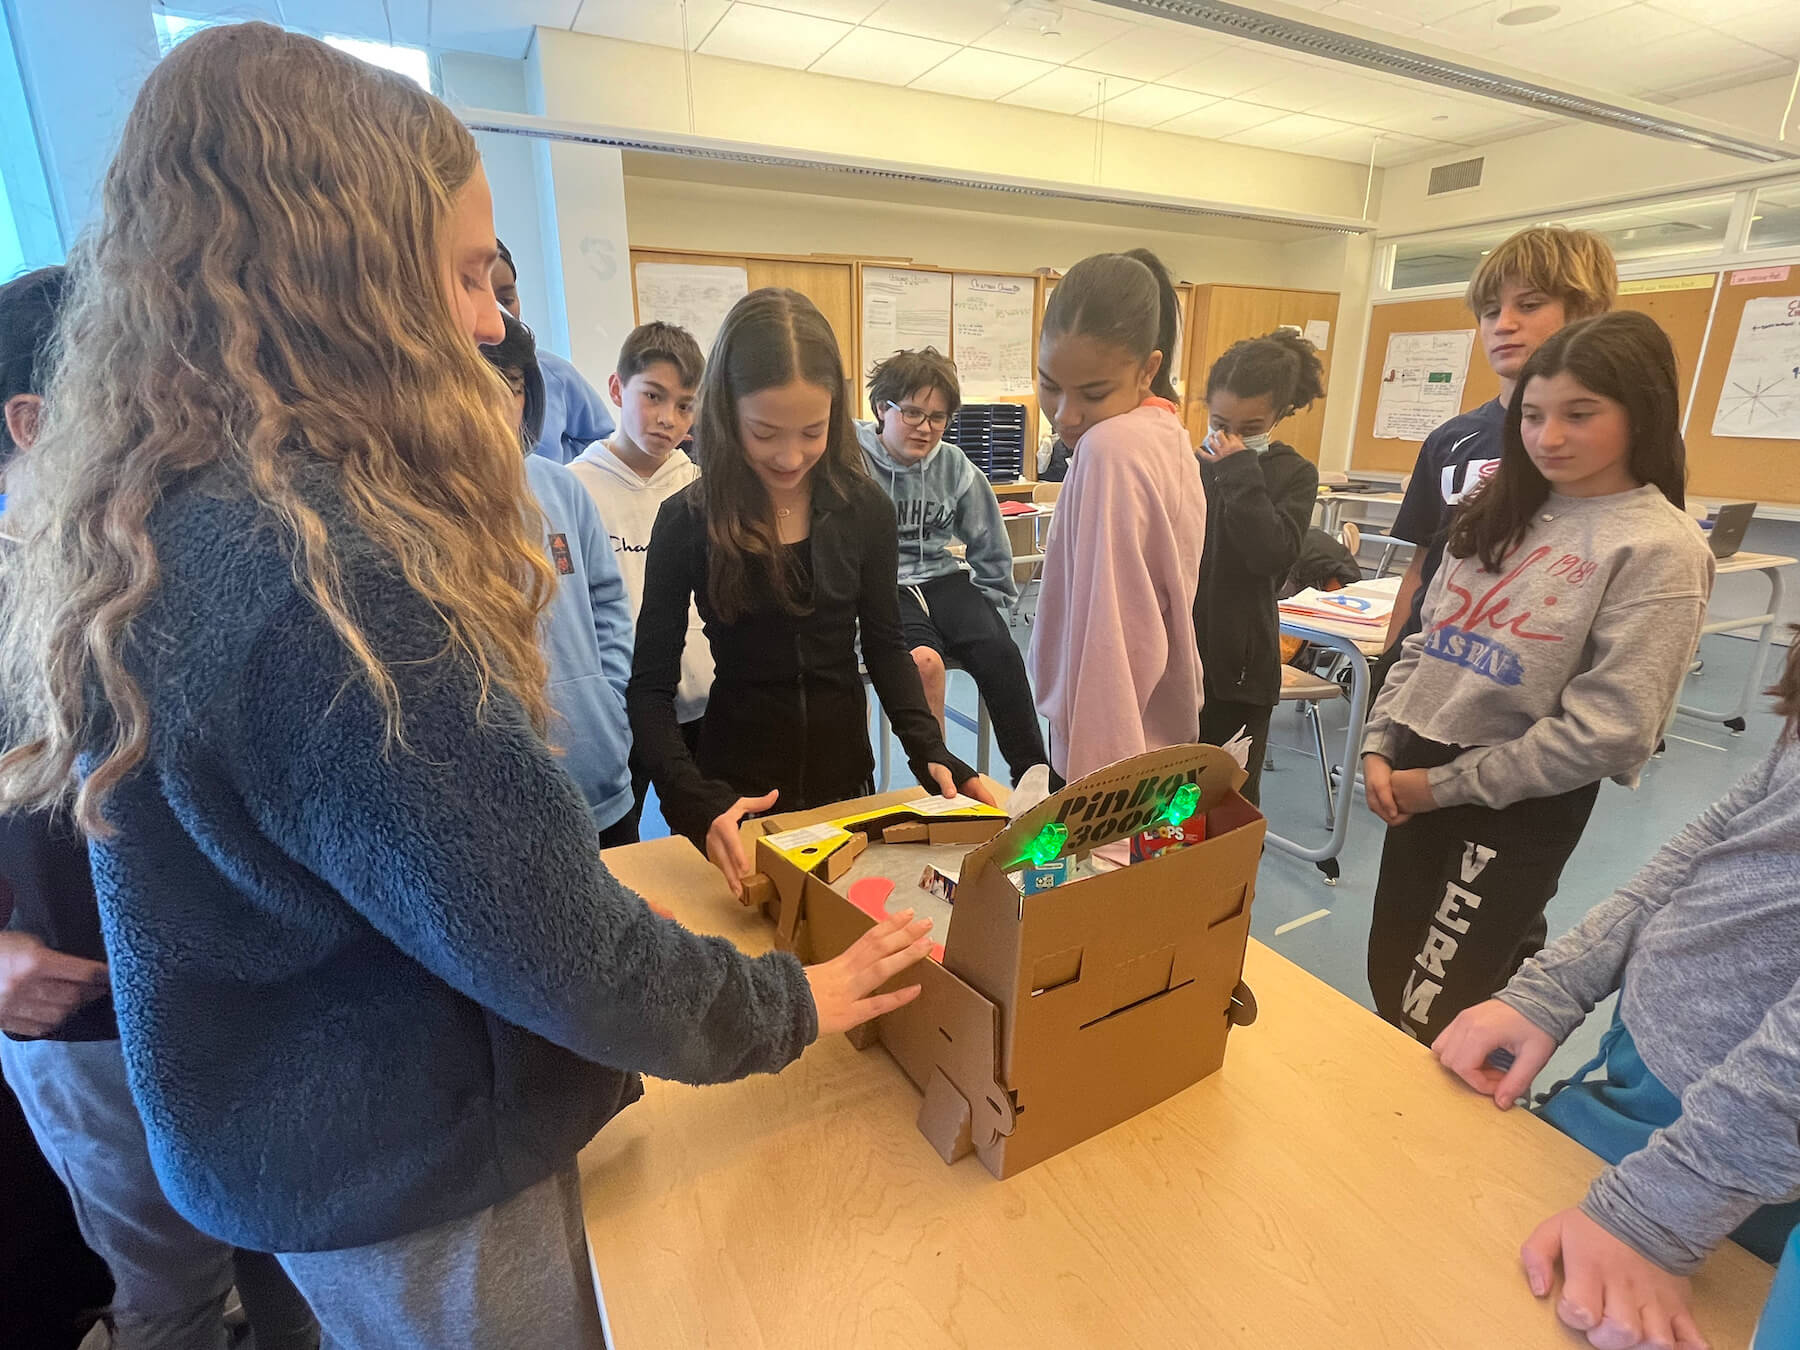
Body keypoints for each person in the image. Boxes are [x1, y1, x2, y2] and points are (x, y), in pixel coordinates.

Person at [0, 26, 934, 1346]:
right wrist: (791, 1000)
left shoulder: (169, 509)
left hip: (293, 1143)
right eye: (465, 273)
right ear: (344, 279)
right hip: (402, 1171)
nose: (494, 320)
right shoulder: (322, 576)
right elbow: (547, 935)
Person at [0, 267, 321, 1350]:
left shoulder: (173, 558)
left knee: (288, 1261)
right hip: (92, 1030)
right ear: (35, 422)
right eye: (138, 390)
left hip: (243, 1000)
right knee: (170, 1296)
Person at [1432, 633, 1800, 1350]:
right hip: (1657, 1064)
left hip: (1739, 1131)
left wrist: (1661, 1214)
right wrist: (1558, 985)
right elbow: (1738, 827)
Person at [1361, 310, 1714, 1045]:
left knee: (1439, 1006)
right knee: (1390, 975)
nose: (1548, 438)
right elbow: (1428, 639)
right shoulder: (1496, 509)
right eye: (1532, 415)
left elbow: (1610, 733)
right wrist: (1380, 744)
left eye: (1579, 415)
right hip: (1417, 772)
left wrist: (1443, 787)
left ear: (1641, 413)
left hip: (1512, 801)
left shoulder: (1656, 546)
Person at [629, 288, 993, 899]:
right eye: (765, 432)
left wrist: (930, 748)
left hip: (842, 785)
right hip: (733, 793)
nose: (790, 456)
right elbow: (649, 689)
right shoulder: (688, 519)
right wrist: (692, 797)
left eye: (812, 431)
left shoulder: (863, 508)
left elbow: (883, 644)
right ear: (726, 413)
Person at [1375, 226, 1617, 693]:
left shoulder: (1609, 446)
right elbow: (1420, 567)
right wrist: (1386, 669)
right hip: (1430, 668)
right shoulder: (1452, 439)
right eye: (1490, 311)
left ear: (1586, 313)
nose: (1503, 324)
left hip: (1531, 688)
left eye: (1528, 305)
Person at [1027, 248, 1205, 789]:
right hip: (1156, 742)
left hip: (1110, 752)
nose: (1065, 416)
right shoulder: (1166, 435)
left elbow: (1112, 637)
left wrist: (1097, 795)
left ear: (1149, 368)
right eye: (1050, 385)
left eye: (1093, 393)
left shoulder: (1112, 447)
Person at [856, 346, 1047, 786]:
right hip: (884, 585)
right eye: (913, 413)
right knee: (925, 662)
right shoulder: (854, 459)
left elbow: (988, 538)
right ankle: (939, 779)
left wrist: (992, 605)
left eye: (938, 418)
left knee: (1000, 652)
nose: (925, 428)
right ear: (883, 408)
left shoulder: (954, 465)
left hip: (944, 578)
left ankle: (1034, 778)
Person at [481, 313, 638, 845]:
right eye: (483, 382)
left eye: (515, 386)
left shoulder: (562, 488)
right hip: (504, 802)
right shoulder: (423, 506)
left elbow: (608, 603)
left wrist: (609, 700)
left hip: (601, 776)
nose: (502, 402)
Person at [568, 322, 712, 838]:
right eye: (652, 396)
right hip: (618, 716)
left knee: (705, 850)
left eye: (684, 405)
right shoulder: (576, 489)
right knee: (616, 845)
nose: (667, 419)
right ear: (616, 389)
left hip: (701, 708)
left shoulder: (699, 487)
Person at [1194, 329, 1325, 805]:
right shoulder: (1190, 465)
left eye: (1249, 427)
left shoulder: (1293, 474)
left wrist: (1239, 470)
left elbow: (1271, 555)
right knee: (1169, 801)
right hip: (1182, 657)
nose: (1230, 438)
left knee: (1228, 801)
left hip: (1242, 670)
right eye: (1220, 422)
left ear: (1278, 416)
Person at [491, 237, 616, 464]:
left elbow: (599, 438)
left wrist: (561, 475)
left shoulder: (554, 372)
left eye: (507, 299)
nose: (497, 312)